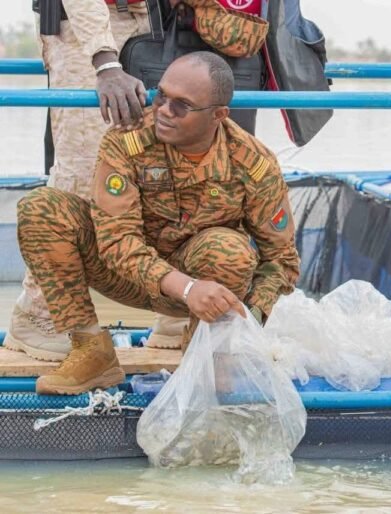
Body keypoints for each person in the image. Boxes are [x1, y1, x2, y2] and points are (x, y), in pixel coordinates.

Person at [16, 52, 300, 395]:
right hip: (125, 274)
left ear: (218, 115)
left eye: (182, 105)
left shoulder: (252, 163)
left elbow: (281, 259)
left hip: (200, 287)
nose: (164, 110)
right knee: (41, 209)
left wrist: (249, 317)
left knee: (230, 252)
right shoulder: (127, 139)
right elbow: (117, 241)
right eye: (161, 95)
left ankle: (206, 359)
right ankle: (92, 352)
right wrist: (186, 288)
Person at [5, 0, 151, 361]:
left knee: (160, 173)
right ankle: (38, 315)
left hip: (153, 33)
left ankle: (175, 315)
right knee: (84, 174)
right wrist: (106, 60)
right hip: (89, 42)